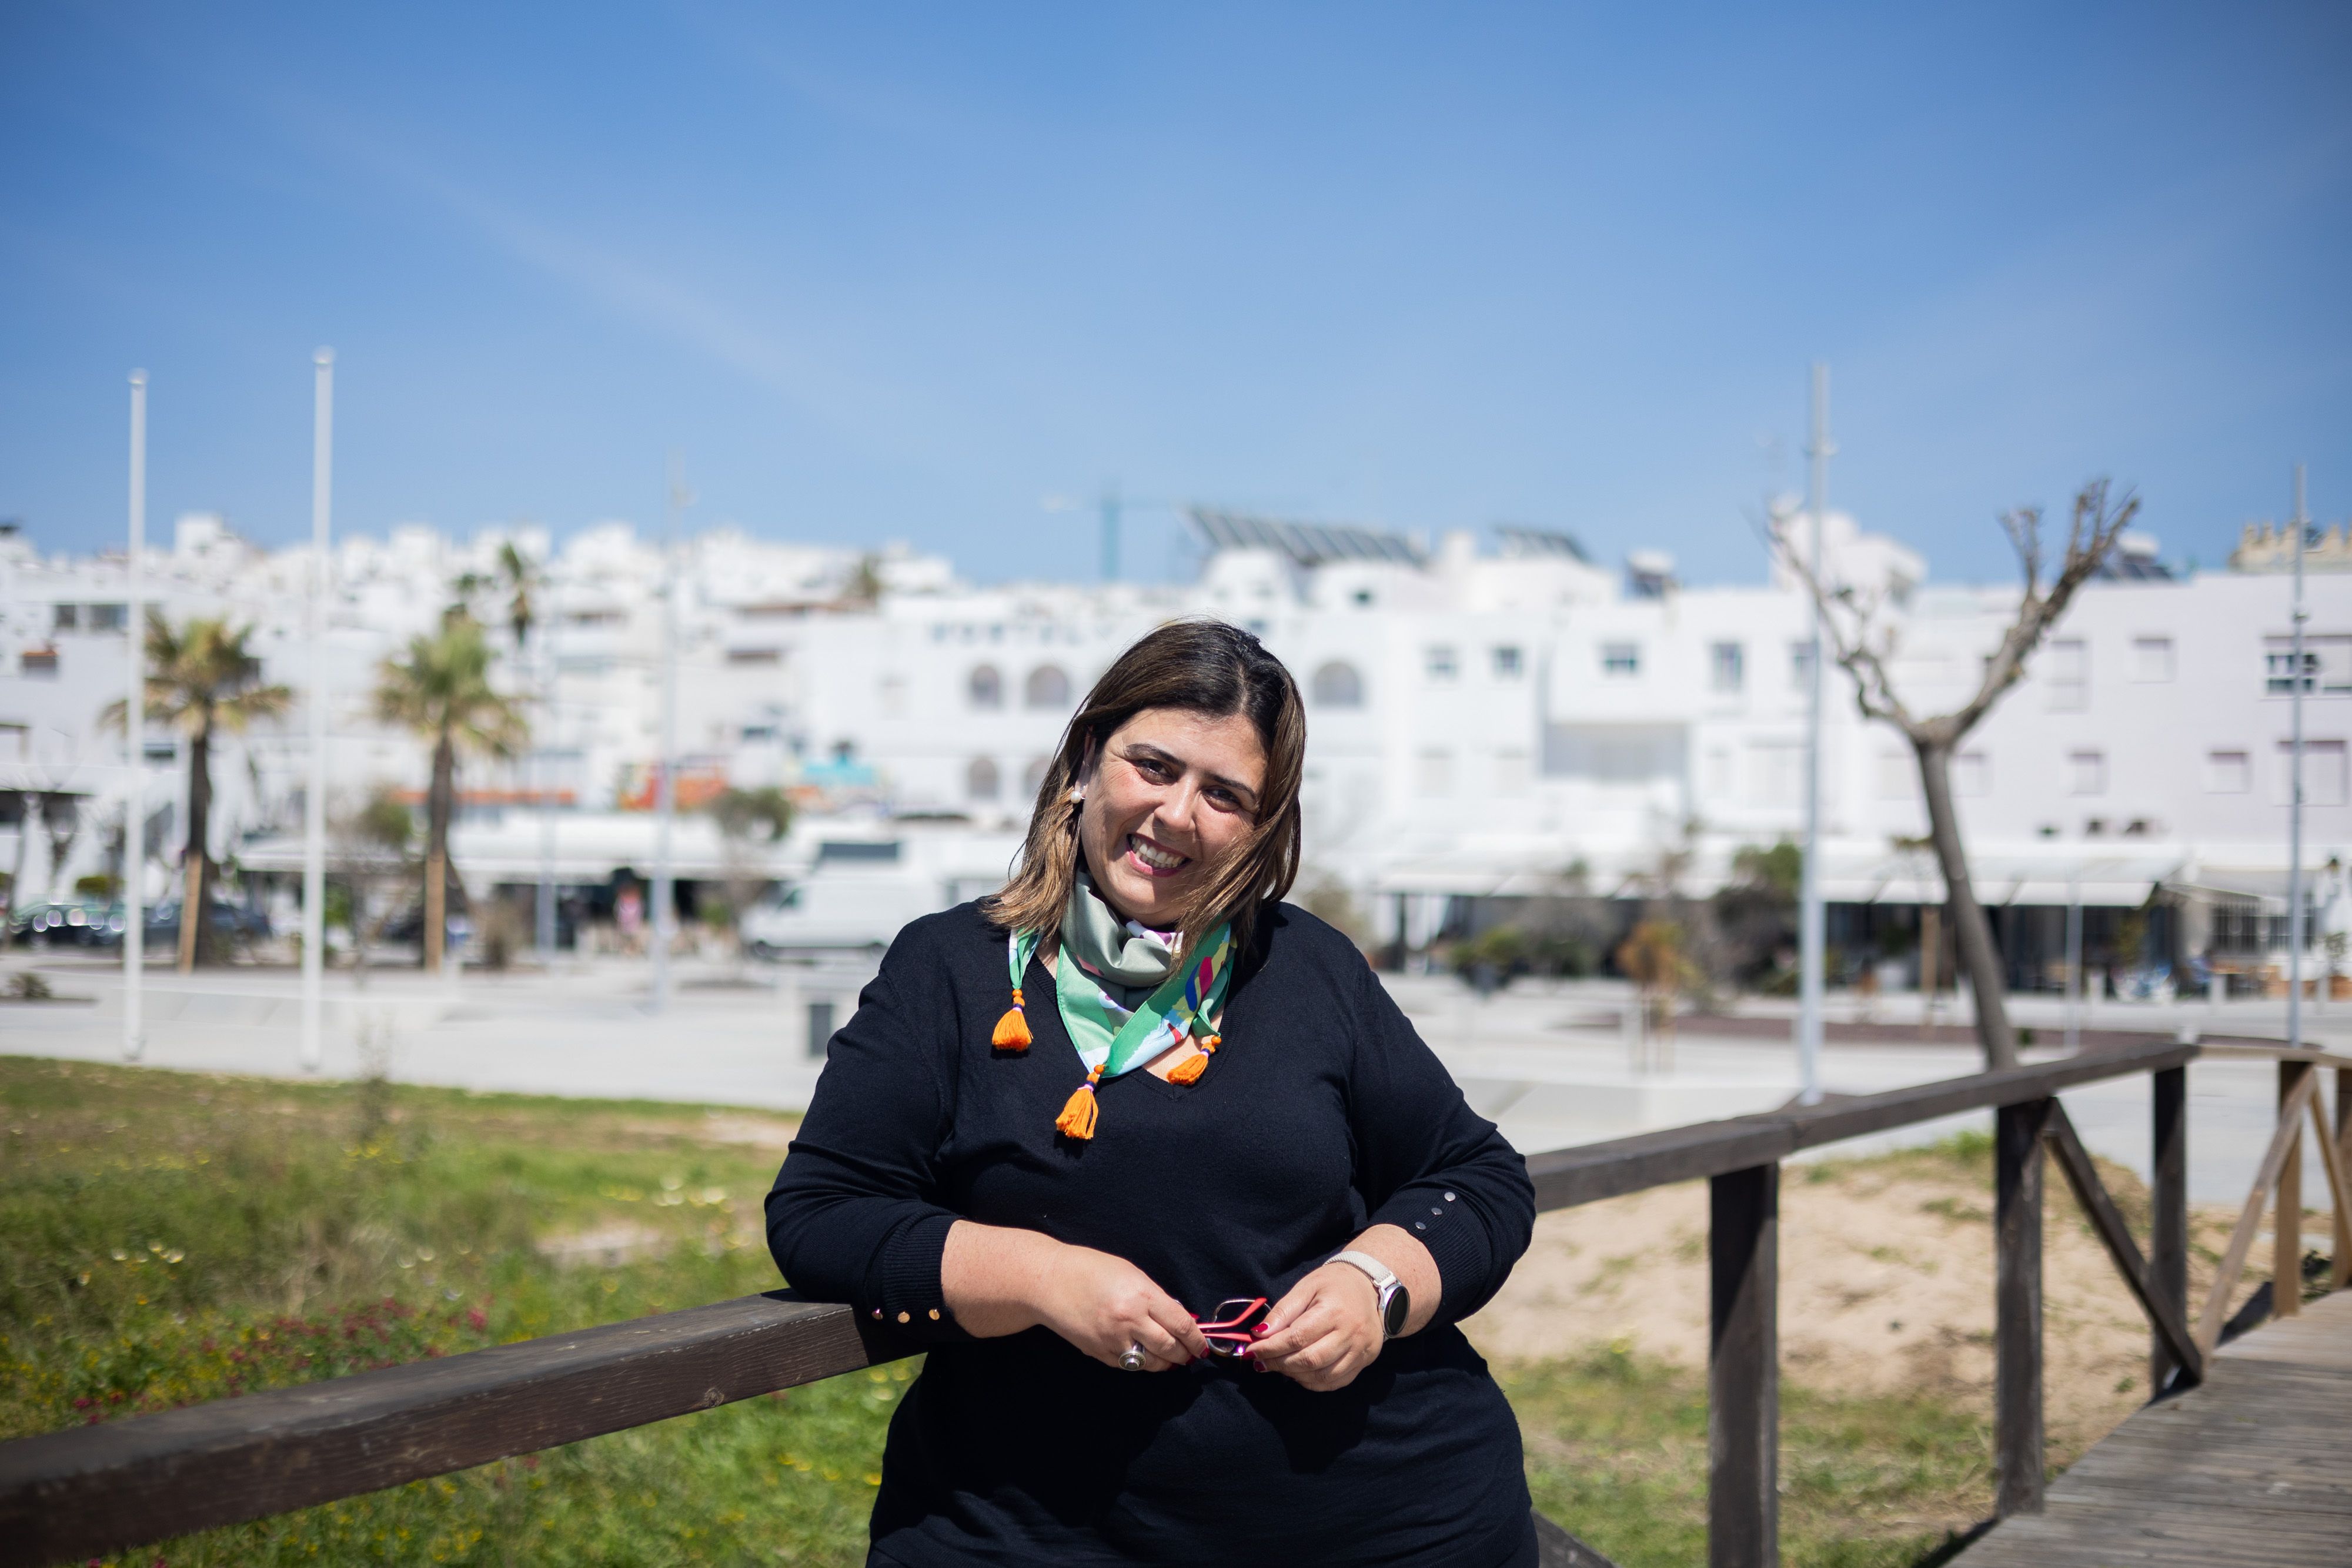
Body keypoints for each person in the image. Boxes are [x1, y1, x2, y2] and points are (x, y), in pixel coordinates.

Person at [765, 619, 1538, 1567]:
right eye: (1155, 767)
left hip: (1394, 1524)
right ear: (1087, 759)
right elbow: (823, 1213)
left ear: (1262, 826)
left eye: (1224, 794)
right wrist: (1043, 1279)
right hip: (1034, 1532)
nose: (1177, 814)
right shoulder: (950, 969)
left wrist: (1372, 1285)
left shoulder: (1307, 966)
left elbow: (1477, 1177)